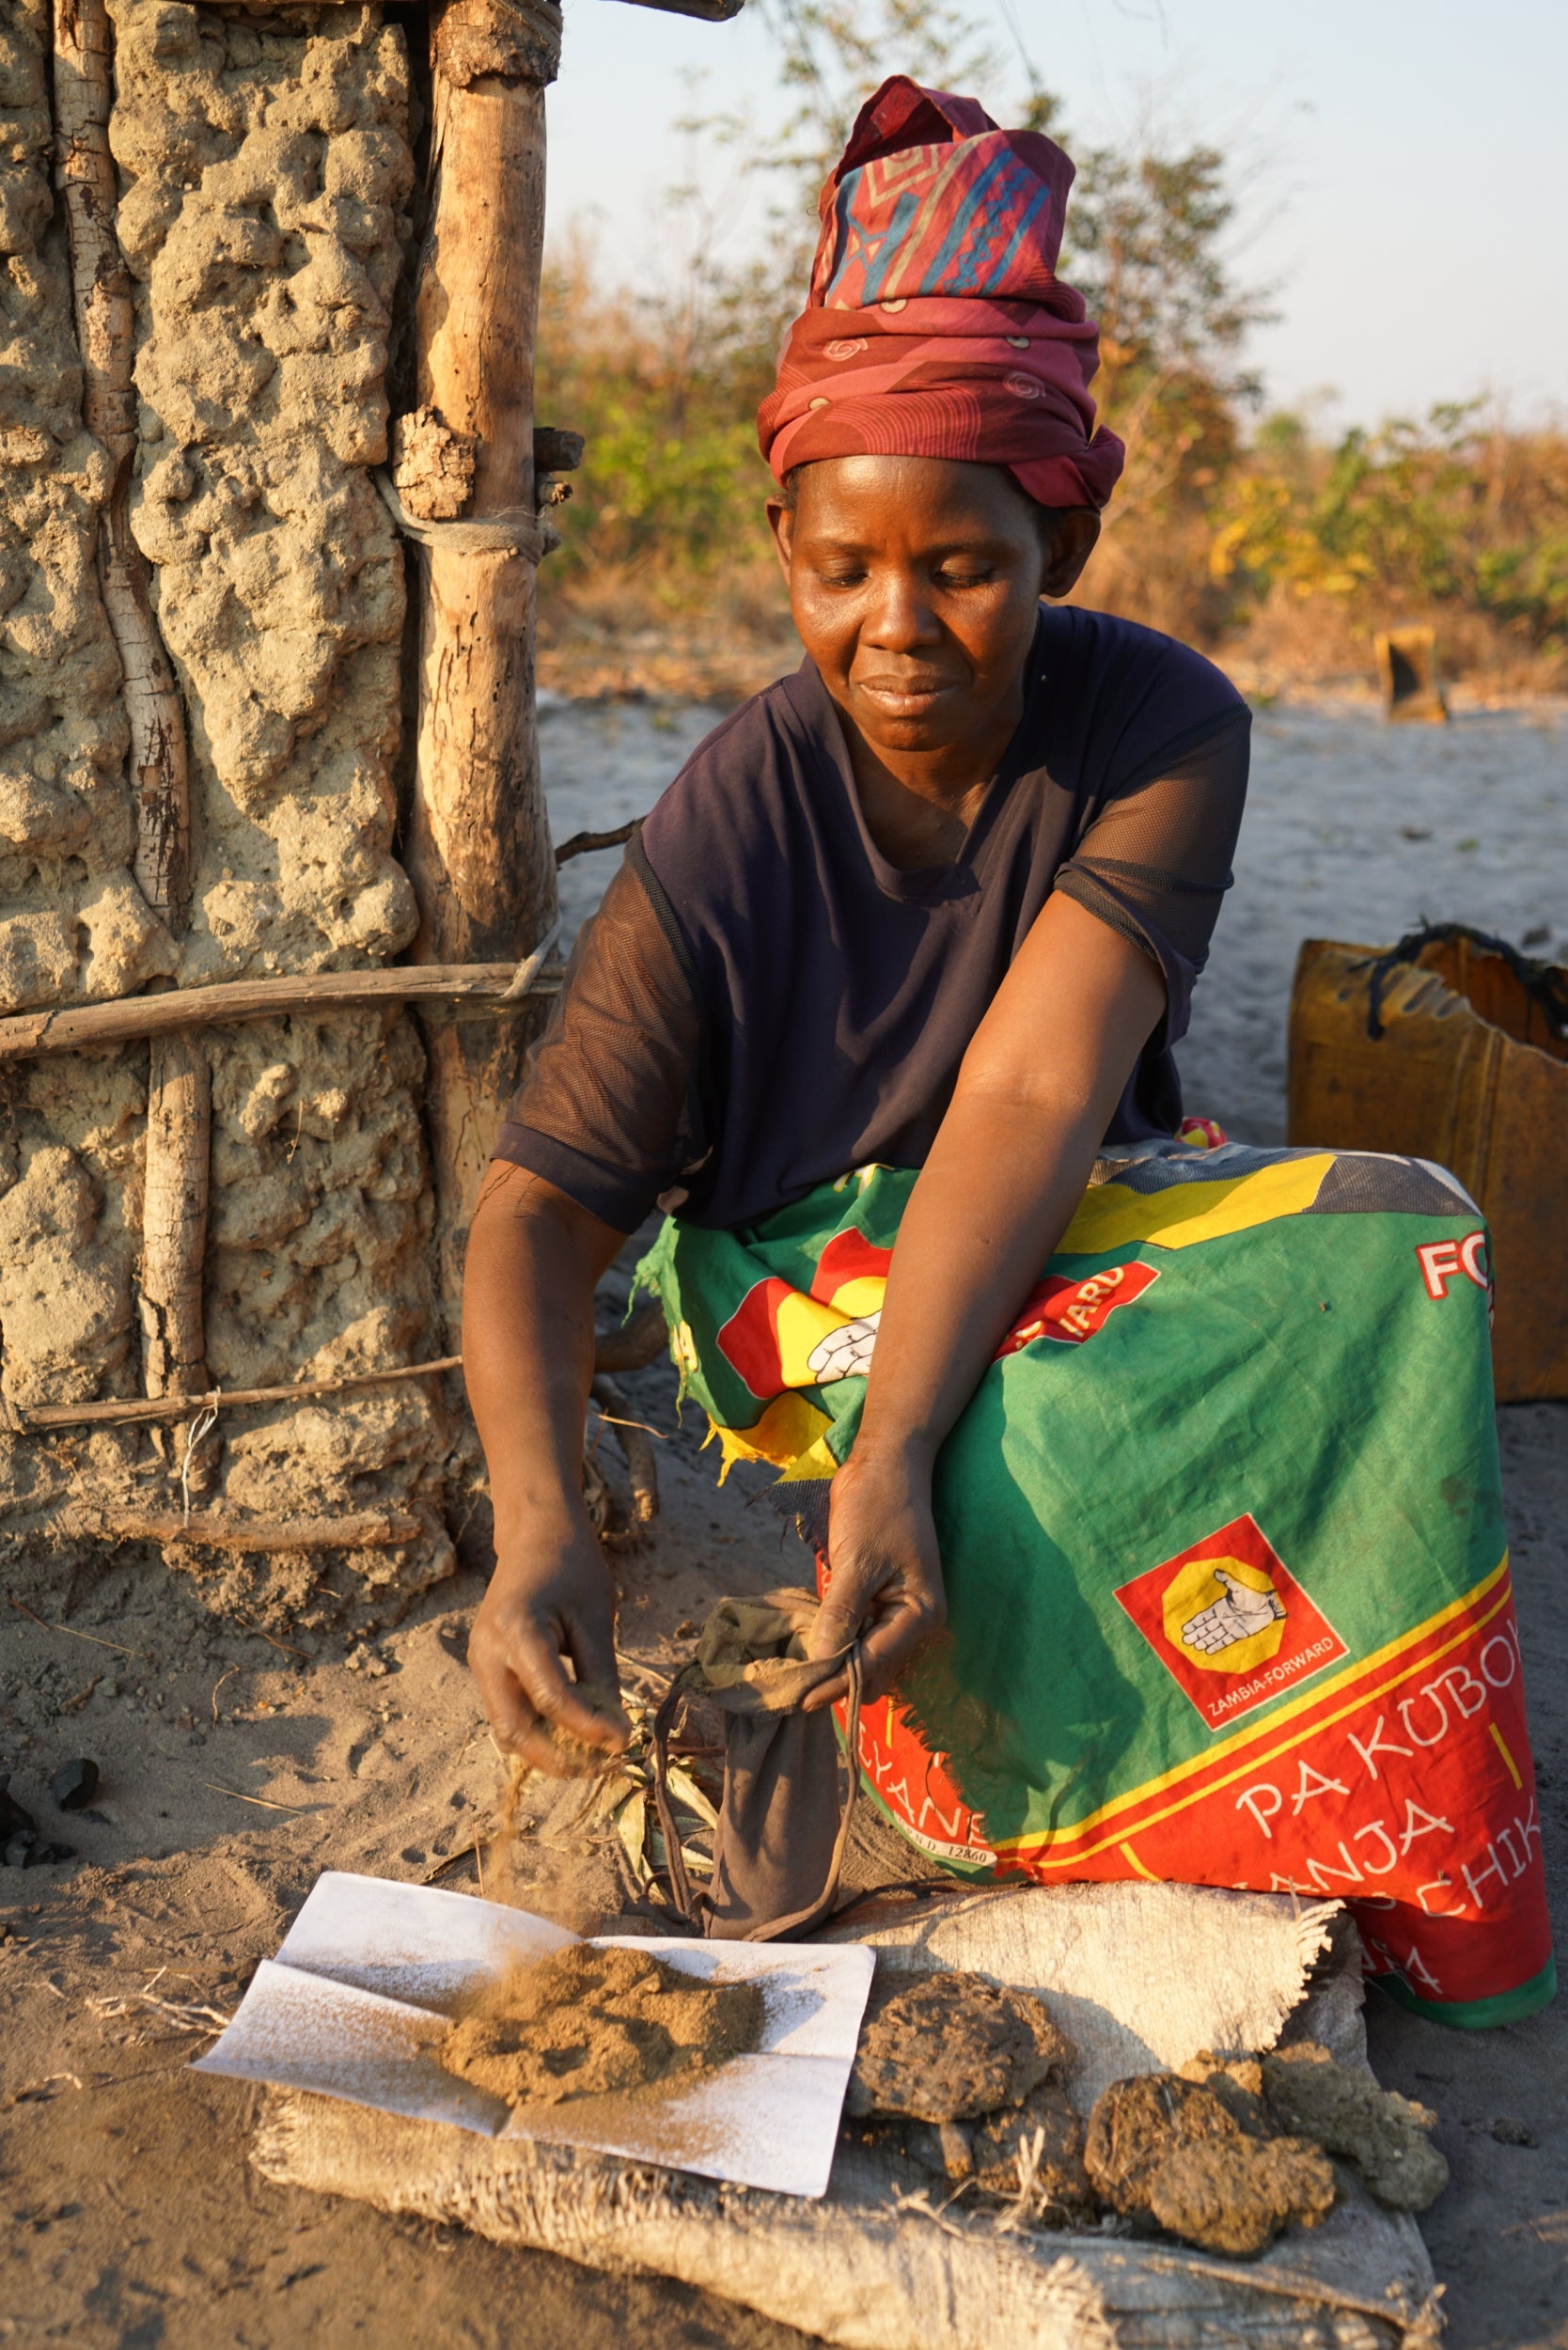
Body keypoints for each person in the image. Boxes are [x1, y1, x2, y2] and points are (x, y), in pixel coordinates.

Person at [463, 79, 1553, 2027]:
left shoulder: (1163, 728)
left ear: (1066, 535)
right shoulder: (732, 818)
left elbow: (1041, 1087)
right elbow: (541, 1209)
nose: (898, 627)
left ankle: (1367, 1822)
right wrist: (538, 1525)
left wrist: (900, 1449)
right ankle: (923, 1799)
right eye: (842, 570)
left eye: (961, 566)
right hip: (809, 1275)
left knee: (1409, 1244)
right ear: (783, 544)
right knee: (1053, 1427)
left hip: (1066, 1195)